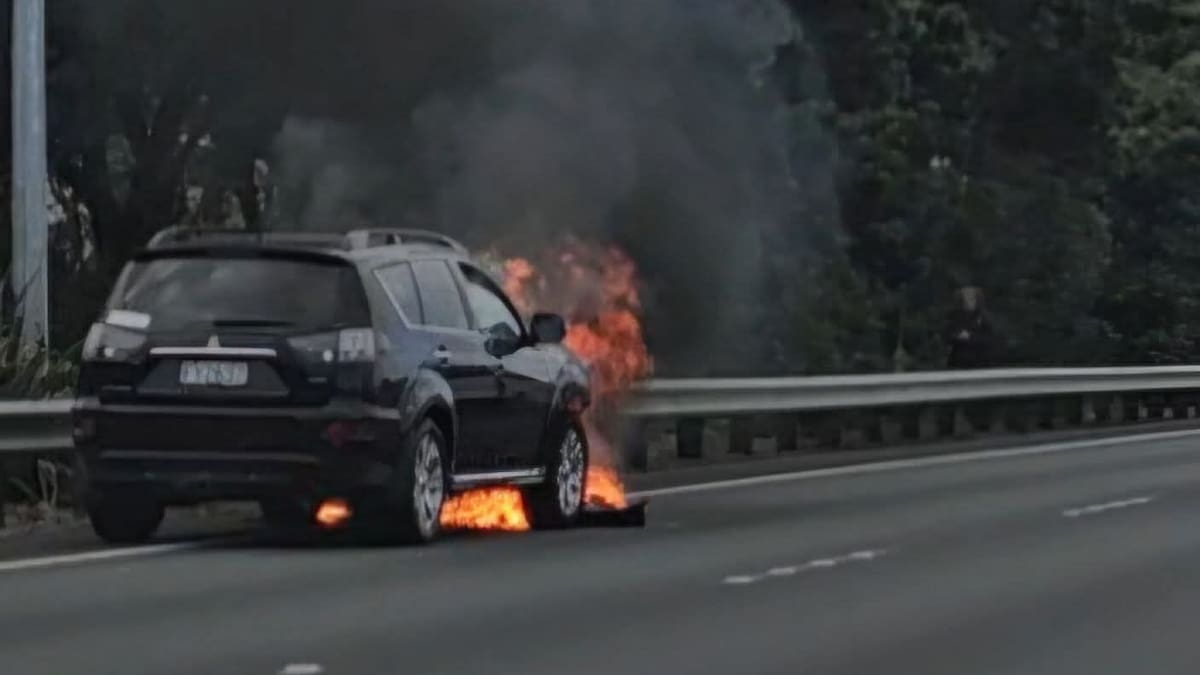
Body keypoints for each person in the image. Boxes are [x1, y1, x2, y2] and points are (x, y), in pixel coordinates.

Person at [945, 286, 992, 369]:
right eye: (965, 297)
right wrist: (956, 336)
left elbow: (989, 339)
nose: (967, 301)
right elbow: (947, 336)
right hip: (958, 363)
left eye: (971, 298)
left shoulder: (984, 317)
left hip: (980, 363)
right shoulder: (954, 316)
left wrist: (970, 337)